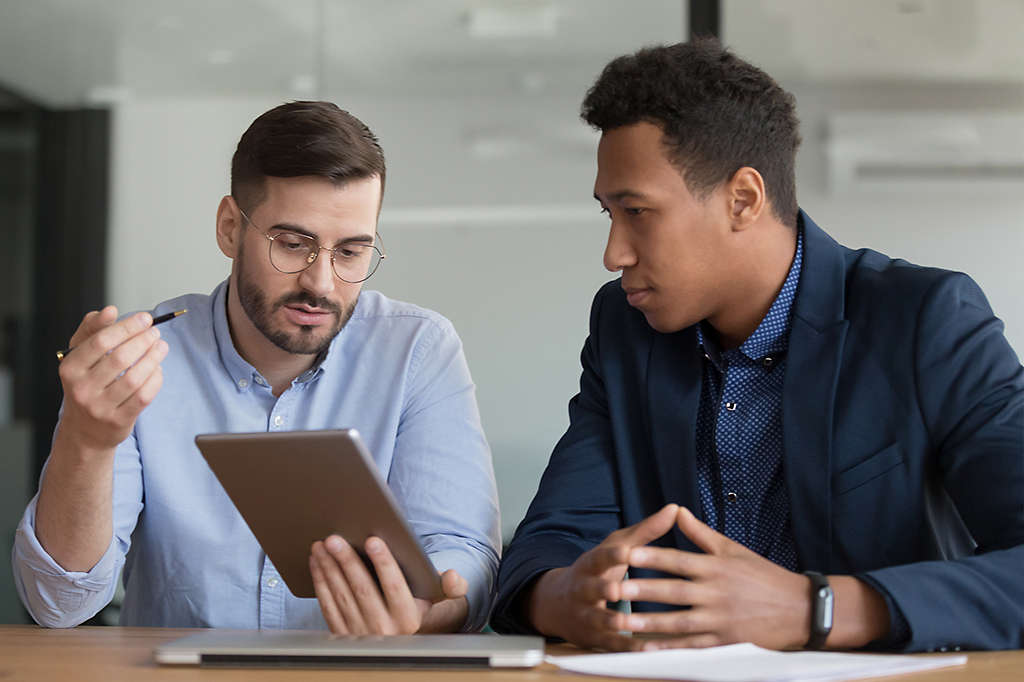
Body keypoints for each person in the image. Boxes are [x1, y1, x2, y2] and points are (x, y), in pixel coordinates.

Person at [491, 39, 1024, 652]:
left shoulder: (927, 321)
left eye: (637, 211)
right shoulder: (624, 329)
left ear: (743, 199)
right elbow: (548, 544)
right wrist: (567, 599)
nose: (614, 254)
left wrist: (813, 608)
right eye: (608, 214)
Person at [13, 101, 500, 634]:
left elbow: (462, 552)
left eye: (352, 252)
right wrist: (87, 441)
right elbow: (59, 604)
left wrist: (429, 613)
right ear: (229, 228)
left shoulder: (417, 350)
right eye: (292, 245)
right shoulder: (139, 358)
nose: (322, 283)